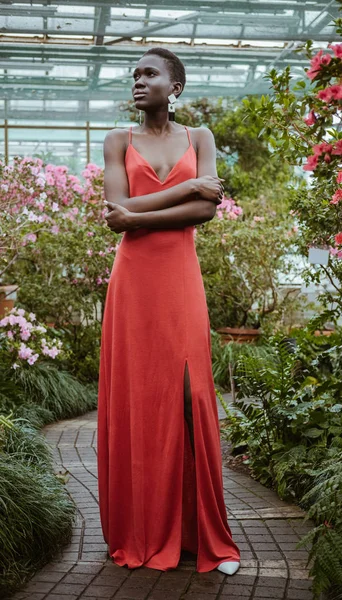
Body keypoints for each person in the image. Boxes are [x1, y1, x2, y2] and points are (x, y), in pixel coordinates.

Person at [97, 46, 241, 576]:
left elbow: (206, 210)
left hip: (180, 281)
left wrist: (145, 210)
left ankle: (205, 537)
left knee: (191, 397)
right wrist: (187, 186)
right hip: (133, 284)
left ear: (173, 86)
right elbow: (117, 217)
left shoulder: (199, 138)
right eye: (134, 74)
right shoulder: (118, 141)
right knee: (140, 401)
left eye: (149, 73)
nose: (138, 80)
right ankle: (144, 532)